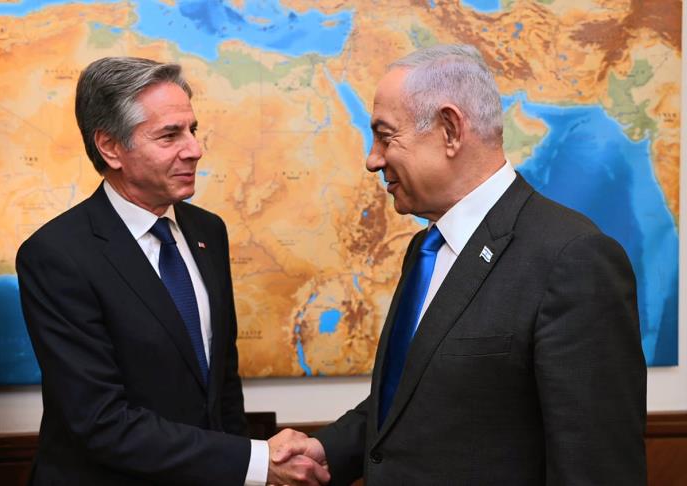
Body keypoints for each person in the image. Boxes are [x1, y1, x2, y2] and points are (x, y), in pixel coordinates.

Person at [272, 44, 647, 485]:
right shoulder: (426, 249)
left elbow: (598, 466)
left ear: (450, 130)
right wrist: (326, 451)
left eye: (386, 136)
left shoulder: (573, 258)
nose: (373, 159)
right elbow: (415, 398)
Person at [16, 57, 327, 486]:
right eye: (170, 135)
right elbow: (100, 420)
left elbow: (222, 383)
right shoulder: (57, 255)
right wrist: (257, 462)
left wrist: (246, 472)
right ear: (110, 147)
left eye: (192, 130)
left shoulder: (208, 231)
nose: (194, 149)